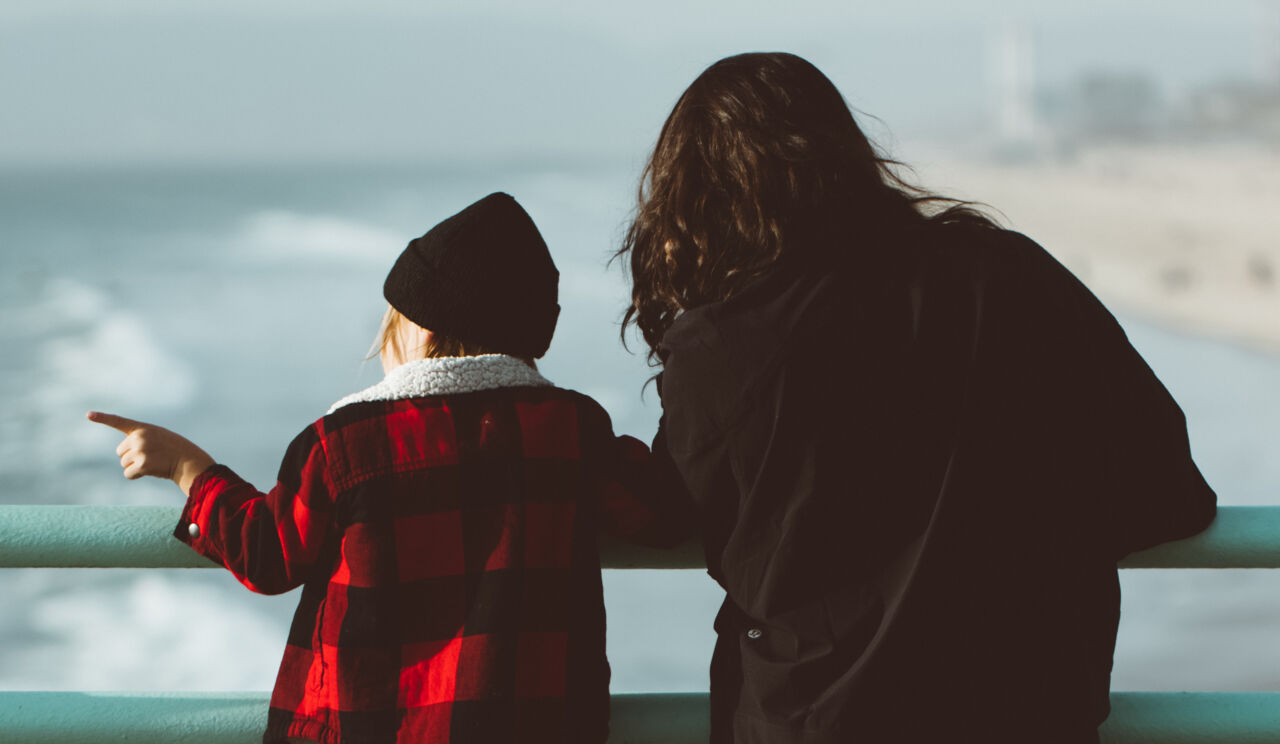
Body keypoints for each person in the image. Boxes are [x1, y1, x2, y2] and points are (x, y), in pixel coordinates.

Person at [619, 52, 1217, 743]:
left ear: (697, 201)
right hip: (1031, 712)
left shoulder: (721, 354)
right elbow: (1169, 490)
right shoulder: (1012, 277)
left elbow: (684, 515)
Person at [89, 192, 688, 744]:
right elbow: (663, 510)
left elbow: (268, 554)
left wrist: (188, 467)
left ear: (421, 330)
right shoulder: (574, 431)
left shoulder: (345, 442)